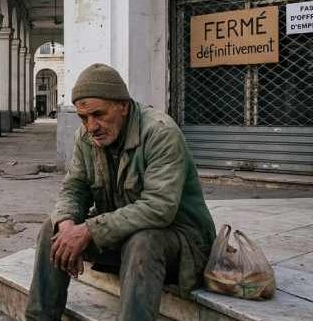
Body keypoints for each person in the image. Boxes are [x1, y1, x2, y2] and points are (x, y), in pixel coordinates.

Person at [25, 64, 216, 321]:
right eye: (84, 118)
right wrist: (68, 225)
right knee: (53, 230)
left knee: (144, 241)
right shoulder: (86, 137)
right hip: (122, 237)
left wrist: (89, 230)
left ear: (123, 106)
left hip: (182, 244)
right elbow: (74, 188)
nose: (91, 126)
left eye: (98, 115)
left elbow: (159, 208)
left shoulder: (160, 133)